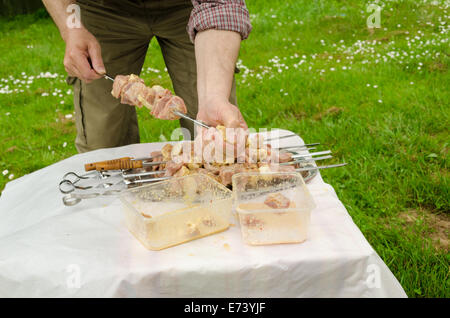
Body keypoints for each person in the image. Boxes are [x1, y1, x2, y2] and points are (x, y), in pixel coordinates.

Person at [42, 0, 251, 153]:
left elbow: (219, 4)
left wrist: (214, 96)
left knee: (216, 133)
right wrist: (71, 28)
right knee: (102, 141)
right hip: (102, 8)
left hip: (186, 7)